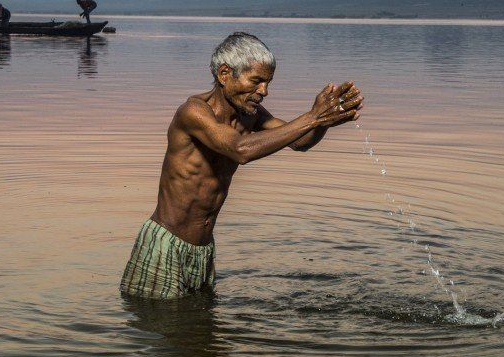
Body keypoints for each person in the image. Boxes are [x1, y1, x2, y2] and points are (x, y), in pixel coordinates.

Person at [120, 32, 363, 299]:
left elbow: (300, 141)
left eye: (268, 83)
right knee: (157, 324)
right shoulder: (194, 112)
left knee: (199, 330)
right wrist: (312, 117)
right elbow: (240, 150)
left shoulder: (250, 115)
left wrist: (323, 122)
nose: (264, 92)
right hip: (166, 245)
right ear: (225, 74)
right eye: (257, 81)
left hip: (203, 249)